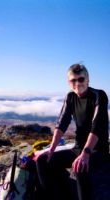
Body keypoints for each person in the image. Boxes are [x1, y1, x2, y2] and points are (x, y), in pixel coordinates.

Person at [34, 64, 109, 200]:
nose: (77, 84)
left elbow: (97, 125)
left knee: (80, 167)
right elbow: (62, 123)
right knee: (43, 160)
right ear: (68, 82)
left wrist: (86, 153)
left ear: (87, 79)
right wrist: (52, 148)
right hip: (77, 148)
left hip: (96, 150)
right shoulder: (70, 97)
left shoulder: (99, 95)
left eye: (80, 79)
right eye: (73, 80)